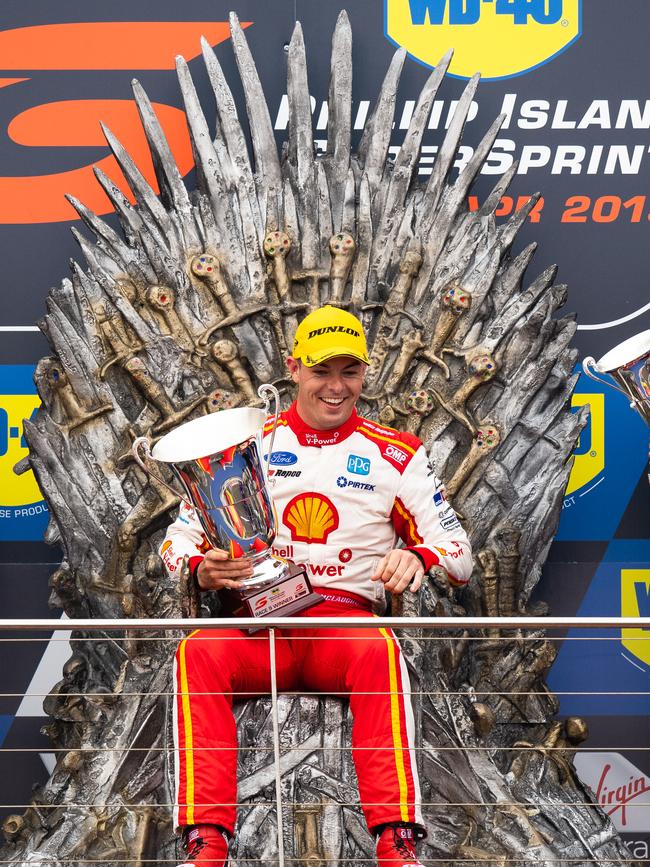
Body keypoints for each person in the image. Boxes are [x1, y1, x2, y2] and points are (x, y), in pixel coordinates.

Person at [161, 305, 473, 867]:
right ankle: (204, 842)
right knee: (196, 655)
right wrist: (199, 568)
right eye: (321, 370)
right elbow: (176, 541)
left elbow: (461, 557)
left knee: (382, 652)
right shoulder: (246, 441)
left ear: (364, 374)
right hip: (255, 622)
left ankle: (396, 839)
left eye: (349, 371)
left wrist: (418, 557)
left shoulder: (397, 452)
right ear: (293, 368)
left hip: (342, 623)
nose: (335, 386)